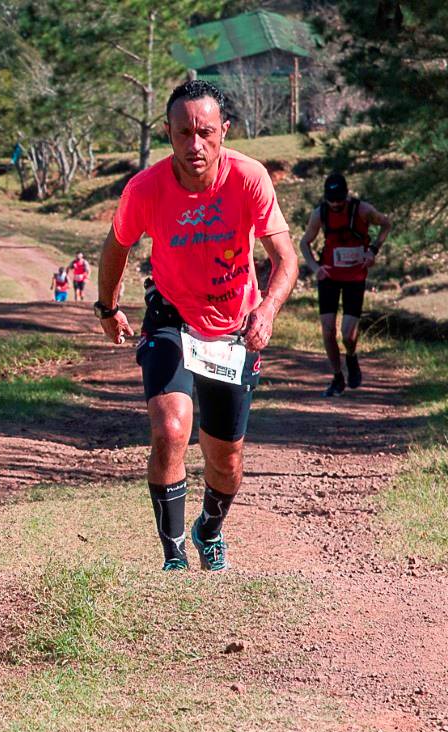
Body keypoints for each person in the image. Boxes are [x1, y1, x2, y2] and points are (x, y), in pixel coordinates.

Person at [94, 79, 298, 572]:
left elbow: (285, 259)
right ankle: (174, 557)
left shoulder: (249, 178)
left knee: (225, 460)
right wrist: (108, 306)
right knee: (170, 428)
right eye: (183, 133)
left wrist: (266, 311)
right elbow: (117, 244)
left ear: (224, 130)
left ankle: (208, 527)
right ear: (168, 133)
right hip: (171, 317)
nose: (195, 144)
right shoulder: (146, 188)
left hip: (234, 330)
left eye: (205, 132)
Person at [299, 172, 390, 395]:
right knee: (328, 329)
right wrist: (315, 268)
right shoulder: (319, 214)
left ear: (347, 196)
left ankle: (351, 357)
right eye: (332, 201)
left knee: (348, 334)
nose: (337, 205)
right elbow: (304, 243)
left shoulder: (363, 210)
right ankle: (337, 377)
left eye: (340, 200)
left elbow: (386, 224)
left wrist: (373, 250)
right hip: (329, 276)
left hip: (355, 277)